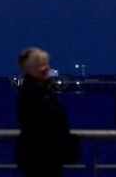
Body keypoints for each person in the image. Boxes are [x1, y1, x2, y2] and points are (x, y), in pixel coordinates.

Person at [14, 47, 77, 177]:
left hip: (48, 156)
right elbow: (36, 124)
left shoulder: (43, 88)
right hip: (40, 157)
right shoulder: (31, 92)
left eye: (46, 64)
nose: (46, 68)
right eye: (40, 65)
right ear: (29, 68)